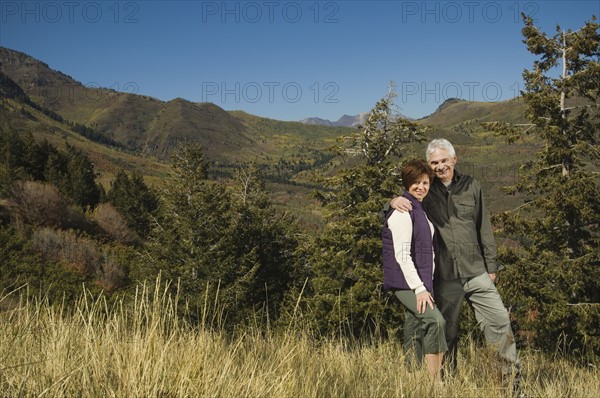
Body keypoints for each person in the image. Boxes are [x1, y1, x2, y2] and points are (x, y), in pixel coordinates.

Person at [389, 139, 523, 393]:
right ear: (429, 166)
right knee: (447, 336)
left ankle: (512, 389)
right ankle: (449, 387)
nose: (440, 167)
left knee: (500, 326)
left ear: (454, 159)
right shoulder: (426, 191)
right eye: (434, 163)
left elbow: (484, 226)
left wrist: (491, 267)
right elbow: (404, 205)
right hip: (446, 277)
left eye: (444, 161)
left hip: (476, 272)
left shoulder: (472, 186)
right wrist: (391, 202)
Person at [382, 158, 447, 383]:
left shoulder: (419, 207)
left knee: (415, 326)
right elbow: (402, 255)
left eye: (425, 183)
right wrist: (419, 288)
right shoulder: (403, 210)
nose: (421, 187)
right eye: (416, 183)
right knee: (435, 321)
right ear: (406, 183)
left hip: (419, 282)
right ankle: (434, 382)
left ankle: (411, 379)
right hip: (406, 283)